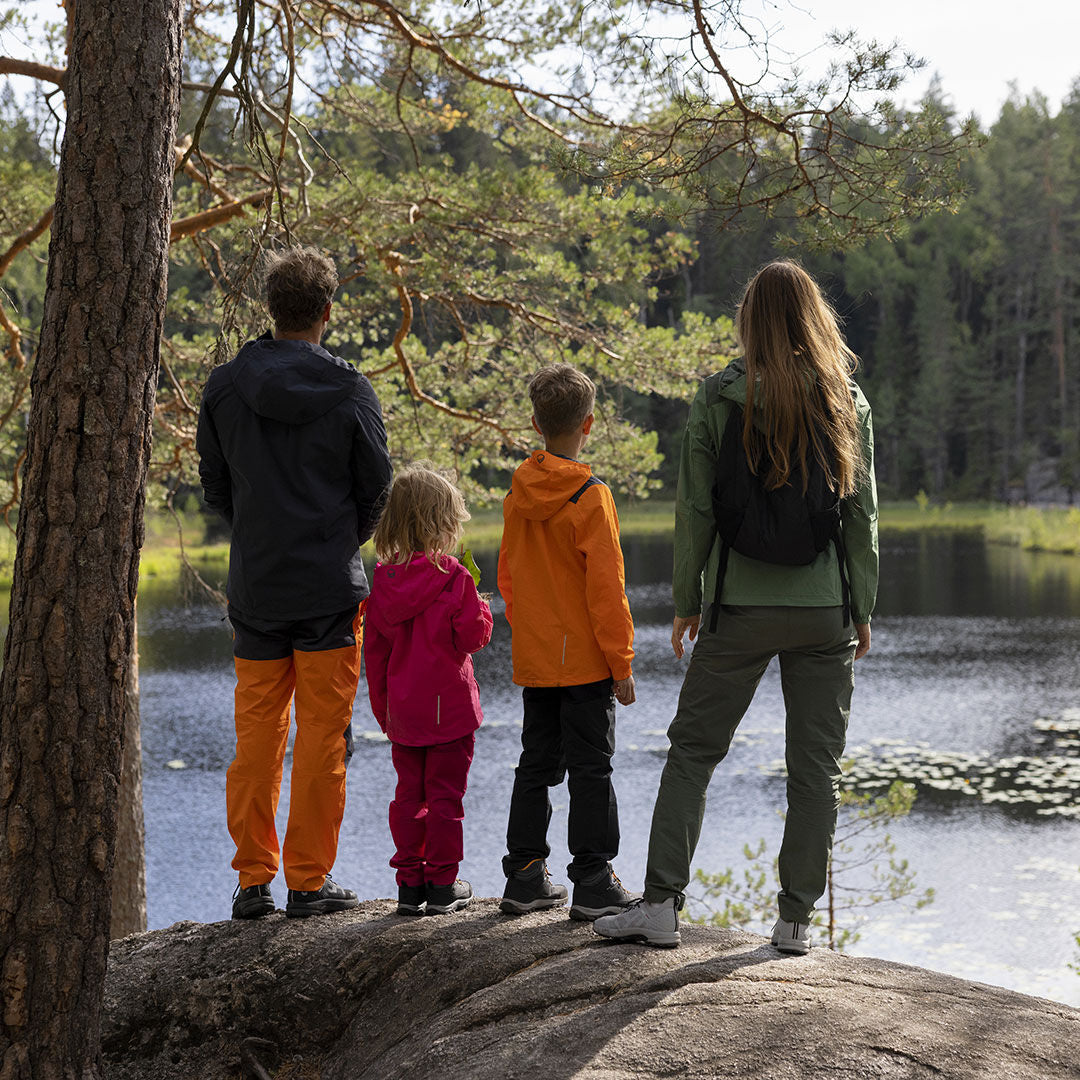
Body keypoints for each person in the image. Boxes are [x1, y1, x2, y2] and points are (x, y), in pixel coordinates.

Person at [595, 259, 878, 951]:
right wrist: (861, 607)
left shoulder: (718, 397)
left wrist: (688, 600)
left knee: (692, 753)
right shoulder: (847, 400)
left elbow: (694, 510)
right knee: (815, 772)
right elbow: (862, 517)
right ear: (815, 320)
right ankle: (794, 923)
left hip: (738, 606)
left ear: (749, 322)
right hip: (822, 613)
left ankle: (660, 906)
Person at [197, 246, 393, 920]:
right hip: (328, 592)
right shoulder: (351, 389)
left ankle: (253, 882)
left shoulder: (224, 386)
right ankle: (308, 882)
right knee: (321, 740)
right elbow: (377, 489)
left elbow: (215, 488)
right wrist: (342, 540)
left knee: (256, 738)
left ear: (271, 310)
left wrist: (258, 531)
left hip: (256, 587)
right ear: (327, 313)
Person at [497, 363, 639, 921]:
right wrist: (621, 662)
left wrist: (534, 632)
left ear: (535, 422)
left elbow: (508, 578)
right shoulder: (591, 496)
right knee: (591, 769)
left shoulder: (516, 495)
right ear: (589, 423)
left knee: (535, 764)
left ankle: (525, 875)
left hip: (537, 659)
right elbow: (608, 590)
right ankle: (594, 880)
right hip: (583, 662)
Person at [364, 465, 493, 917]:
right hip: (451, 714)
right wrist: (480, 602)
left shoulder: (381, 583)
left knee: (408, 797)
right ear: (443, 524)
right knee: (444, 799)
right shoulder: (455, 577)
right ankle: (442, 884)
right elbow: (472, 638)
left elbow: (374, 659)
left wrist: (385, 713)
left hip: (405, 714)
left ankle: (409, 884)